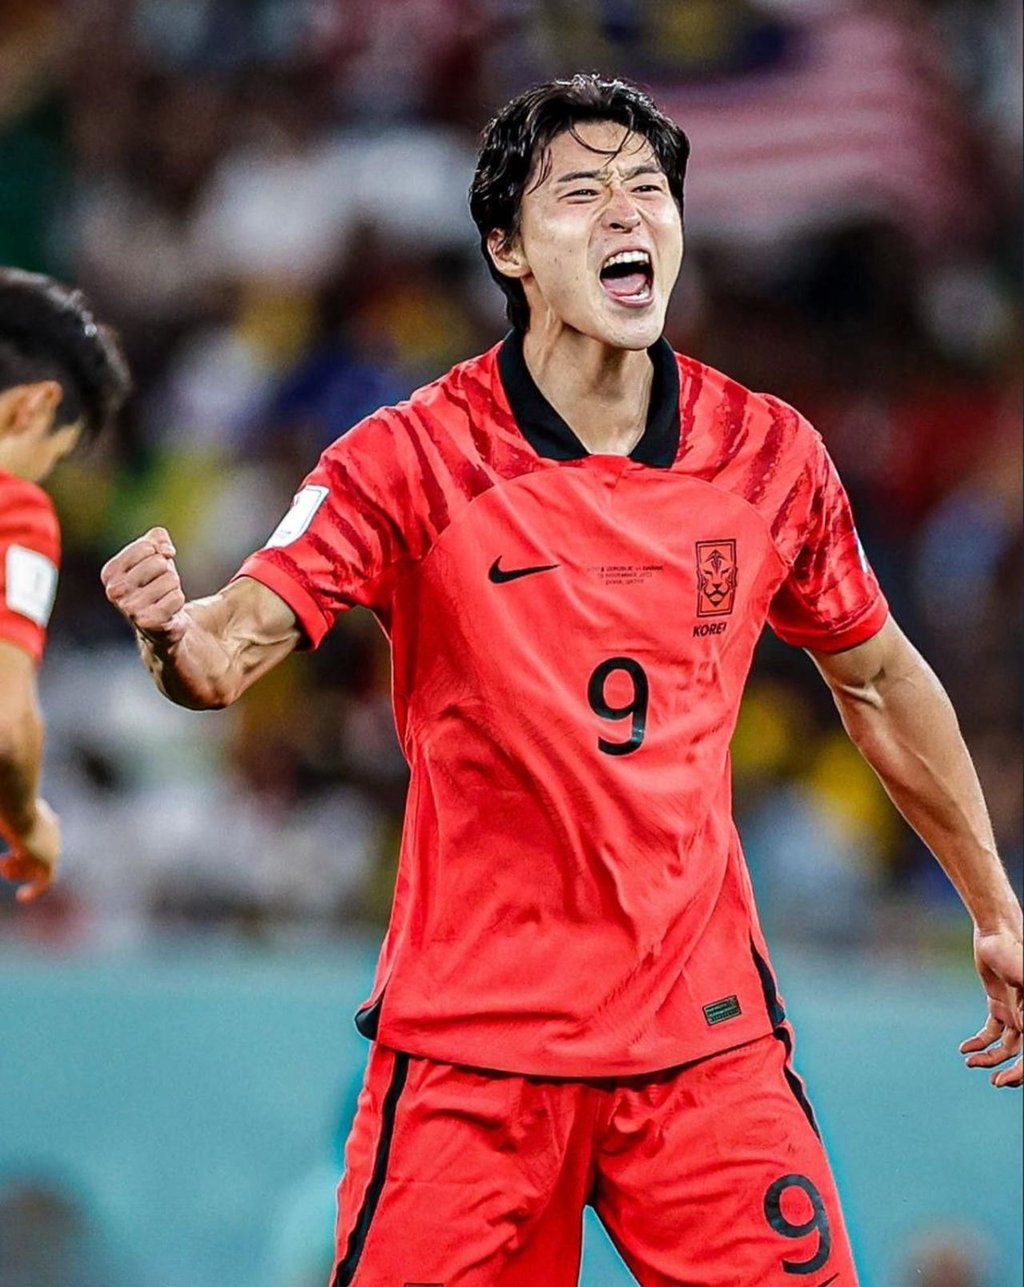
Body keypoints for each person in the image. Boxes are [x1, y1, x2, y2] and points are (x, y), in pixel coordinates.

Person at [99, 75, 1022, 1286]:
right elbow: (231, 651)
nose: (627, 213)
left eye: (649, 189)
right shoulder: (409, 458)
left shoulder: (766, 454)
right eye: (581, 192)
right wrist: (174, 636)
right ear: (508, 247)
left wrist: (993, 904)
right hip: (471, 1062)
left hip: (703, 1052)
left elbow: (880, 678)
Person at [0, 267, 129, 904]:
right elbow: (5, 720)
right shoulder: (12, 508)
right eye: (49, 457)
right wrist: (28, 824)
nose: (39, 479)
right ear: (35, 406)